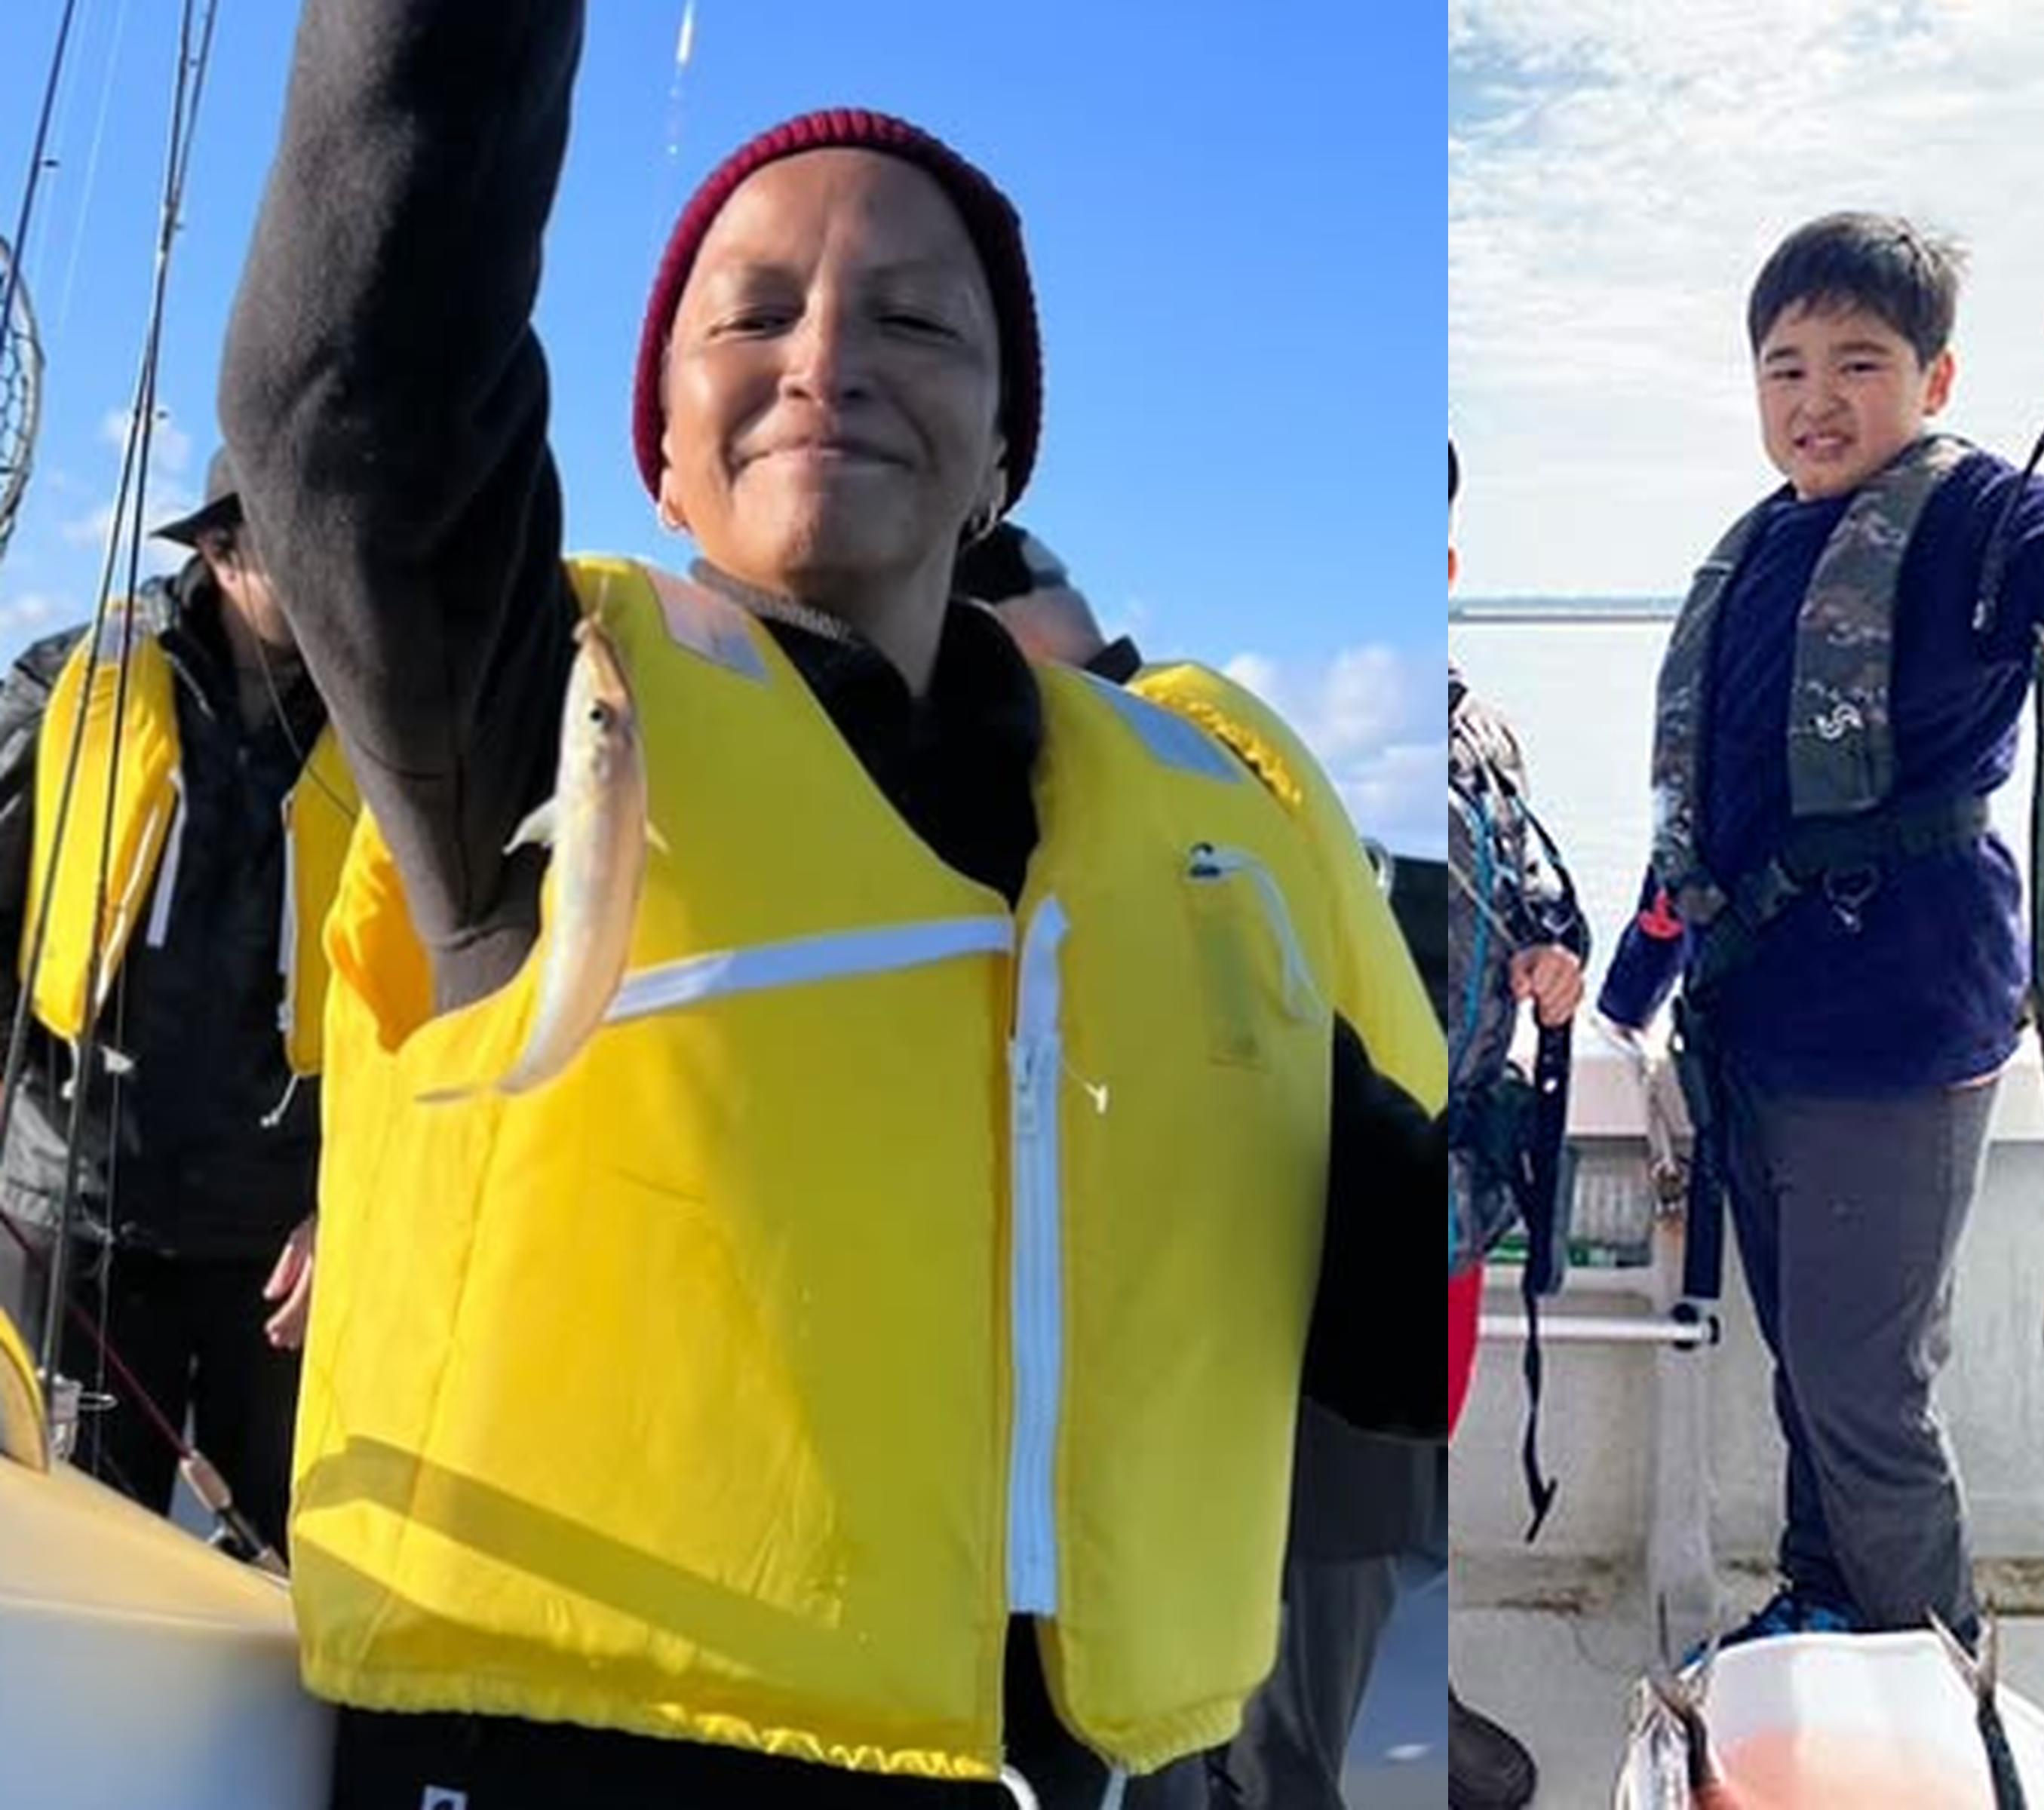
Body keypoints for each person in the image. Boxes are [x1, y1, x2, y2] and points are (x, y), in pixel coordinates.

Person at [217, 6, 1439, 1806]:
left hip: (1075, 1760)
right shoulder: (524, 709)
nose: (828, 360)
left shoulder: (1190, 849)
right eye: (758, 312)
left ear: (1007, 450)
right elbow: (353, 388)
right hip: (577, 1747)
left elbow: (1388, 1308)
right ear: (658, 448)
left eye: (918, 321)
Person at [1597, 212, 2044, 1651]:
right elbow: (1705, 819)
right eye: (1785, 367)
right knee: (1811, 1374)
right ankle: (1825, 1598)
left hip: (1891, 1029)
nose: (1818, 398)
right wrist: (1627, 998)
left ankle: (1939, 1677)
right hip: (1748, 1021)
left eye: (1859, 362)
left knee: (1868, 1394)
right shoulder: (1755, 555)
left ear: (1936, 381)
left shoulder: (1990, 522)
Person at [954, 523, 1448, 1810]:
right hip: (1352, 1296)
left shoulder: (1143, 757)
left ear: (1007, 633)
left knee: (1270, 1762)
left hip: (1315, 1340)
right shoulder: (1207, 734)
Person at [0, 451, 341, 1552]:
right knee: (71, 1553)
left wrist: (353, 1199)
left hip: (283, 1252)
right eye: (302, 530)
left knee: (286, 1567)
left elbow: (429, 1014)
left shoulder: (393, 727)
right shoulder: (68, 686)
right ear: (222, 546)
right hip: (75, 1229)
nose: (337, 560)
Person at [1444, 437, 1582, 1810]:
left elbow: (1548, 899)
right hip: (1301, 1180)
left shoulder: (1486, 731)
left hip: (1459, 1190)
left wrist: (1557, 958)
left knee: (1423, 1444)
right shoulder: (1253, 726)